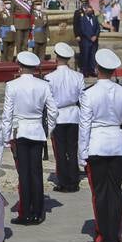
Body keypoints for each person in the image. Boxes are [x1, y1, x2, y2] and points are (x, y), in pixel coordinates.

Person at [78, 49, 122, 242]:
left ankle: (104, 236)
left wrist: (82, 154)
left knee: (100, 194)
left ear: (96, 69)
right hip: (117, 145)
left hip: (97, 145)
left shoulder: (89, 94)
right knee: (115, 192)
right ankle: (115, 233)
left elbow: (84, 126)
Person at [0, 51, 57, 225]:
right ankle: (38, 212)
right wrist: (48, 130)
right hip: (37, 131)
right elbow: (53, 111)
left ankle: (26, 212)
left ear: (20, 66)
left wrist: (6, 136)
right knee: (36, 173)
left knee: (24, 174)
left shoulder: (12, 85)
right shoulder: (43, 85)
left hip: (21, 131)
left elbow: (7, 114)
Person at [46, 42, 83, 193]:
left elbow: (48, 100)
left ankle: (63, 181)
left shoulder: (49, 77)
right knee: (72, 149)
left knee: (60, 150)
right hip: (73, 115)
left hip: (58, 115)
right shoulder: (78, 76)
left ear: (56, 57)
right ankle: (74, 179)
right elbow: (82, 98)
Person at [74, 0, 102, 76]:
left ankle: (92, 70)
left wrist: (96, 36)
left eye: (91, 10)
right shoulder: (82, 19)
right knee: (86, 56)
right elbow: (83, 30)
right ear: (86, 11)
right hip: (86, 41)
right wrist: (90, 37)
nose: (90, 12)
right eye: (89, 10)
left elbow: (98, 28)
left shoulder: (94, 18)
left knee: (93, 57)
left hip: (94, 41)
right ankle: (85, 71)